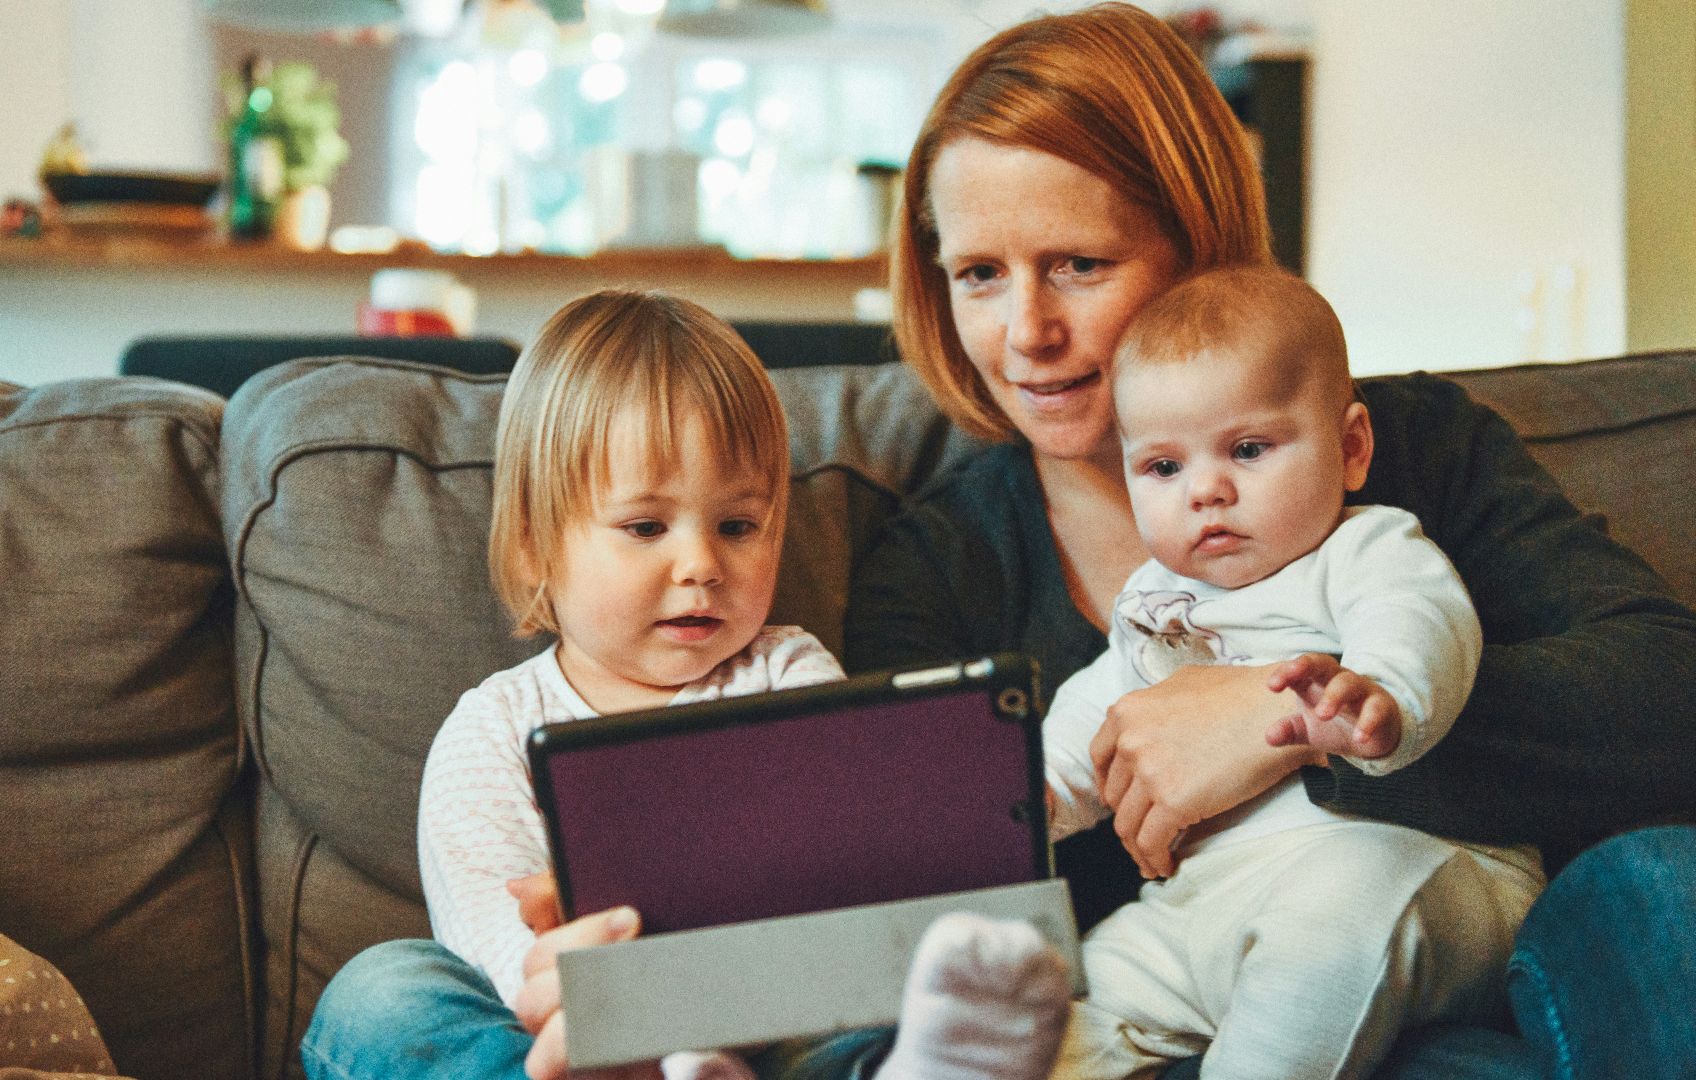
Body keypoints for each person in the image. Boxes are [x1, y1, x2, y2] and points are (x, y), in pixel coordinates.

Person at [837, 3, 1696, 1077]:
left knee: (1666, 885)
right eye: (979, 274)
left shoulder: (1411, 453)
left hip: (1467, 978)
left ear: (1195, 246)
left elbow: (1669, 690)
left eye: (1079, 264)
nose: (1027, 333)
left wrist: (1284, 716)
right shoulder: (937, 566)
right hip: (1157, 1016)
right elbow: (914, 908)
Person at [302, 288, 1074, 1080]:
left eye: (737, 526)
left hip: (776, 1021)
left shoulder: (789, 674)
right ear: (535, 546)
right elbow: (497, 944)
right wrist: (616, 1021)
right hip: (576, 1042)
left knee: (882, 1000)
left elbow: (845, 879)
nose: (702, 564)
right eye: (645, 528)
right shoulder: (492, 727)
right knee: (383, 991)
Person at [1034, 264, 1543, 1078]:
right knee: (1059, 998)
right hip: (1207, 902)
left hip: (1406, 870)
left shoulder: (1365, 547)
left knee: (1330, 927)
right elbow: (1099, 707)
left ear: (1350, 448)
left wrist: (1381, 695)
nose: (1207, 489)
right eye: (1162, 468)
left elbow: (1421, 621)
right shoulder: (1154, 599)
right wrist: (1036, 798)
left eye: (1247, 449)